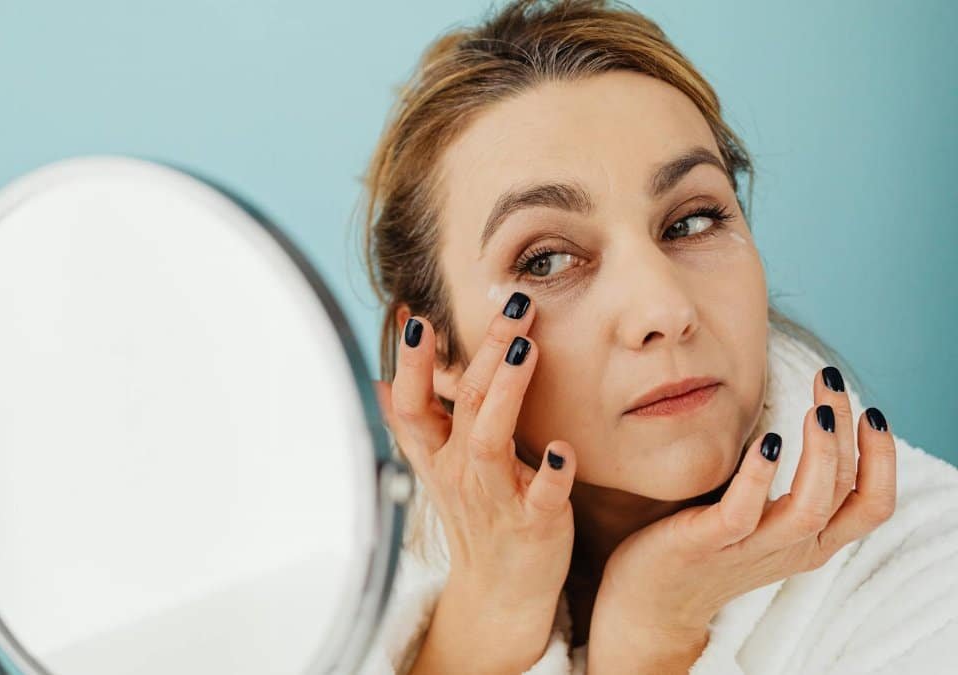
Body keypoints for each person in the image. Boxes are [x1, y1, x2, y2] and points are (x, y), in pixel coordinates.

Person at [354, 1, 958, 672]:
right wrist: (484, 623)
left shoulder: (934, 583)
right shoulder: (316, 584)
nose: (663, 309)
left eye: (692, 221)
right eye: (547, 260)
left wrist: (651, 635)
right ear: (433, 348)